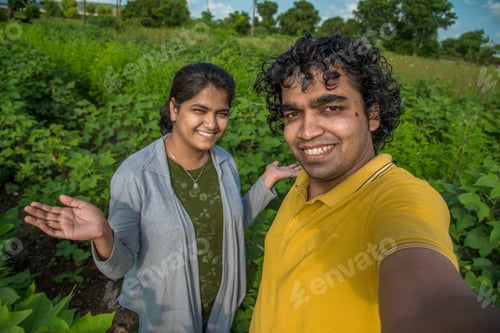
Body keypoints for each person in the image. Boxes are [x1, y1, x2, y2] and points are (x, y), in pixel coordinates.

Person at [23, 62, 300, 333]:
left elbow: (230, 225)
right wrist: (103, 234)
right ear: (174, 109)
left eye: (222, 113)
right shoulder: (135, 175)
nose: (212, 124)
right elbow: (120, 266)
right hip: (166, 318)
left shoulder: (224, 162)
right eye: (199, 110)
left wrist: (266, 182)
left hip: (219, 311)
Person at [249, 35, 500, 332]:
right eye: (294, 113)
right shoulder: (306, 179)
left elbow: (430, 303)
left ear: (372, 115)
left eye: (331, 108)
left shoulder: (400, 198)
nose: (306, 132)